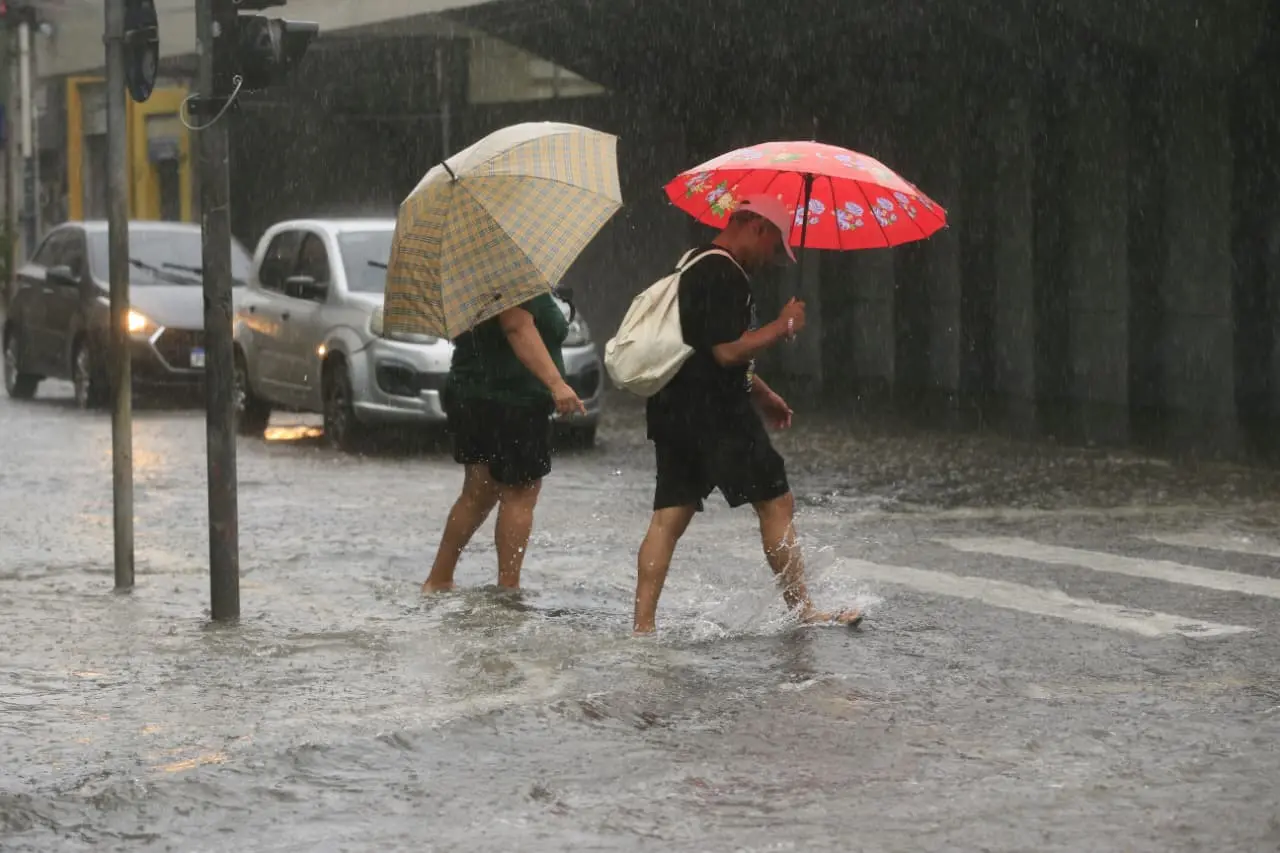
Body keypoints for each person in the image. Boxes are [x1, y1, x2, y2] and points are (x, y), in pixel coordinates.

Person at [633, 194, 863, 634]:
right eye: (775, 246)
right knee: (776, 500)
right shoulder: (725, 273)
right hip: (716, 415)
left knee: (669, 515)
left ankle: (642, 630)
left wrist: (764, 393)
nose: (773, 259)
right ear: (756, 226)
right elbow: (724, 351)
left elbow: (699, 347)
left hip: (673, 408)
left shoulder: (692, 261)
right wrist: (783, 325)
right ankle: (804, 610)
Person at [422, 292, 585, 594]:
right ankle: (507, 590)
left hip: (474, 392)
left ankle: (438, 580)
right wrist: (556, 384)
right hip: (512, 400)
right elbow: (516, 325)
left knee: (478, 493)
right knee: (520, 493)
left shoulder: (476, 271)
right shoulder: (508, 270)